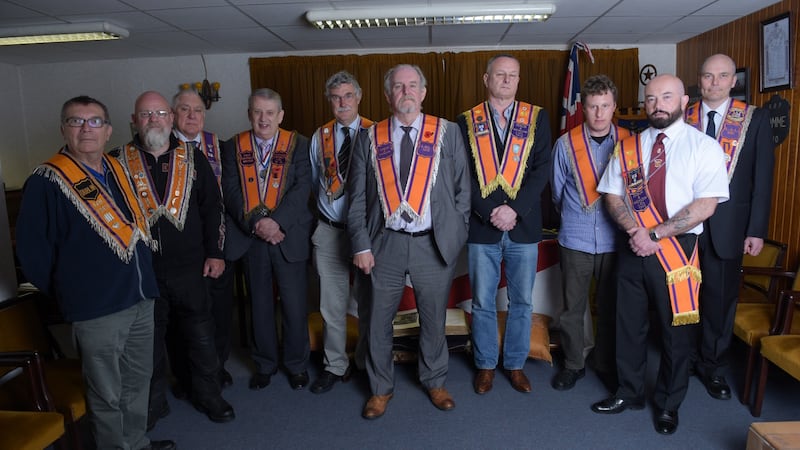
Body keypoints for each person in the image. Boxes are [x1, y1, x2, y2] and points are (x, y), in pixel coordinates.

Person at [16, 95, 175, 450]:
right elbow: (32, 253)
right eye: (76, 121)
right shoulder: (47, 180)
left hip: (140, 297)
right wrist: (71, 292)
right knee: (106, 392)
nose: (86, 129)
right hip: (96, 309)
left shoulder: (118, 168)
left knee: (137, 382)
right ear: (64, 129)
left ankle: (136, 442)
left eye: (94, 122)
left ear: (108, 131)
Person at [591, 74, 729, 435]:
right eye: (650, 99)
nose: (657, 105)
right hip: (633, 244)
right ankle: (629, 392)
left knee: (675, 334)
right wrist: (636, 232)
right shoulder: (628, 148)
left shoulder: (704, 147)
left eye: (666, 97)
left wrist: (654, 233)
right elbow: (612, 195)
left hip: (677, 252)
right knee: (628, 325)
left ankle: (669, 403)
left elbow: (705, 206)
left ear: (685, 100)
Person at [348, 64, 470, 419]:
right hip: (383, 243)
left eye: (412, 85)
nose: (406, 92)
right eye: (398, 87)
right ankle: (380, 389)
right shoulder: (369, 137)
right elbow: (356, 199)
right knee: (377, 321)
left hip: (432, 244)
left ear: (424, 92)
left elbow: (464, 193)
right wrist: (360, 244)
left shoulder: (446, 133)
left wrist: (455, 234)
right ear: (388, 96)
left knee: (433, 319)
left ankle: (434, 380)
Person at [112, 91, 234, 427]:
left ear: (170, 119)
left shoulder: (193, 158)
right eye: (146, 114)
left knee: (201, 337)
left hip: (192, 269)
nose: (154, 120)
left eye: (160, 113)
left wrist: (216, 253)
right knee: (146, 346)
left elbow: (213, 209)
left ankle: (209, 395)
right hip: (142, 274)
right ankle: (151, 406)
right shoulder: (116, 161)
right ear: (134, 121)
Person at [456, 54, 551, 395]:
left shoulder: (537, 118)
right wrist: (489, 213)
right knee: (481, 301)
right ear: (486, 79)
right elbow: (462, 175)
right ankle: (484, 365)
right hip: (483, 228)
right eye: (500, 74)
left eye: (513, 75)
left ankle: (514, 364)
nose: (507, 80)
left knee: (521, 302)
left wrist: (515, 210)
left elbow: (542, 170)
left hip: (523, 226)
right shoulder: (466, 121)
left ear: (519, 80)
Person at [686, 54, 775, 400]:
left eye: (722, 76)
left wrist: (756, 230)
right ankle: (686, 357)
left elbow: (762, 180)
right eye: (708, 76)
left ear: (733, 81)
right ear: (699, 79)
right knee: (684, 296)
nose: (714, 83)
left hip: (730, 227)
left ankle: (713, 367)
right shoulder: (685, 116)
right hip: (685, 225)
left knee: (721, 301)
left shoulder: (754, 118)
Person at [221, 88, 313, 391]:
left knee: (294, 305)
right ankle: (265, 364)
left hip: (288, 236)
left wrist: (276, 223)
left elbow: (302, 190)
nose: (263, 119)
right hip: (252, 238)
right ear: (249, 114)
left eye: (270, 113)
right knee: (259, 305)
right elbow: (232, 191)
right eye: (257, 112)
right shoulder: (234, 146)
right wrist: (258, 223)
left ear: (280, 115)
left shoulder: (299, 145)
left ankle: (297, 365)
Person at [550, 75, 631, 392]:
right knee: (573, 309)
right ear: (583, 107)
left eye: (605, 106)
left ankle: (607, 363)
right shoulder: (565, 144)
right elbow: (557, 193)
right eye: (593, 106)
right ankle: (574, 364)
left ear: (614, 106)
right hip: (576, 239)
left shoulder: (629, 142)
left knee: (612, 306)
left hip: (616, 241)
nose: (599, 113)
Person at [309, 71, 373, 394]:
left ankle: (364, 362)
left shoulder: (376, 133)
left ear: (359, 97)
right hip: (330, 230)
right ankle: (335, 365)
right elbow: (313, 184)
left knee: (368, 303)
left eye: (348, 96)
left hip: (366, 235)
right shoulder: (318, 137)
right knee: (331, 305)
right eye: (336, 97)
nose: (342, 102)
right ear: (329, 100)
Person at [169, 89, 236, 394]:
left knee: (219, 311)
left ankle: (217, 368)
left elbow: (231, 199)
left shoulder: (220, 148)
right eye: (185, 109)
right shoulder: (159, 151)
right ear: (173, 114)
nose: (192, 116)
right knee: (181, 319)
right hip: (177, 253)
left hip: (217, 246)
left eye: (197, 110)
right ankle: (186, 376)